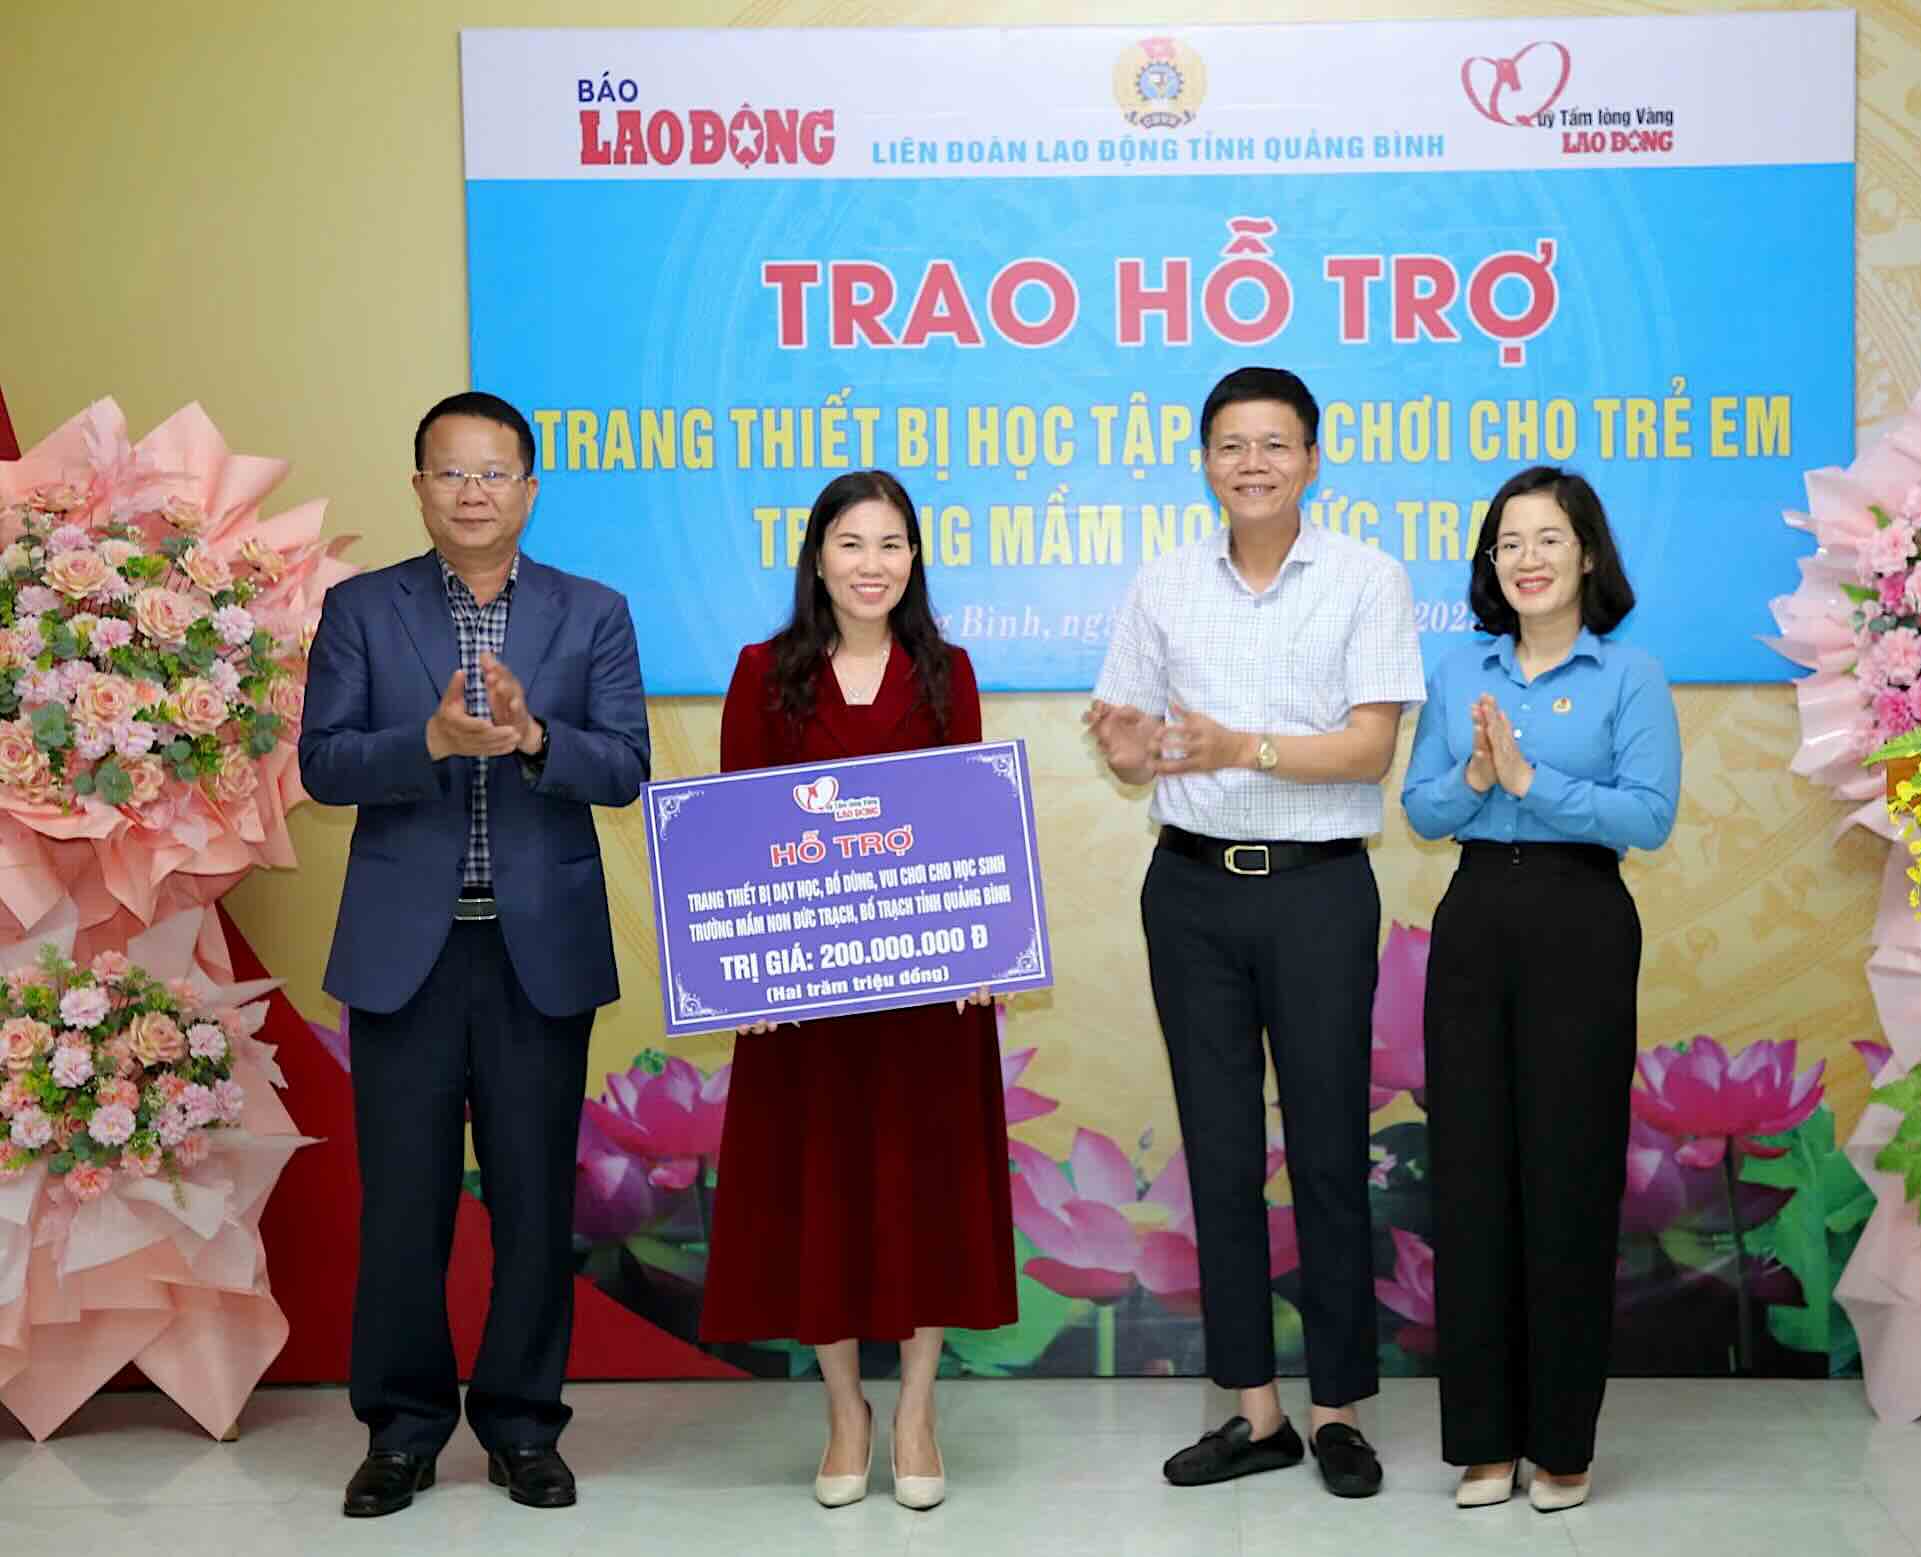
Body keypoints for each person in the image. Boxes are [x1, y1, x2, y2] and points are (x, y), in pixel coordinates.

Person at [299, 391, 652, 1518]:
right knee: (402, 1206)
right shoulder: (361, 610)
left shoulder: (591, 612)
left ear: (529, 488)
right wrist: (431, 741)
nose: (472, 492)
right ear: (417, 487)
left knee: (536, 1203)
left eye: (494, 472)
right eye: (450, 473)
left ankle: (520, 1427)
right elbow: (323, 765)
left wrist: (538, 736)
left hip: (535, 954)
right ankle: (399, 1433)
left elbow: (625, 767)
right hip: (406, 954)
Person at [1086, 366, 1424, 1500]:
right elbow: (1131, 745)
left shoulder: (1366, 579)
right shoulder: (1164, 584)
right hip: (1187, 892)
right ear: (1204, 461)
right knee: (1220, 1158)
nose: (1251, 464)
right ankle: (1253, 1411)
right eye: (1230, 445)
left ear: (1312, 458)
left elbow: (1370, 748)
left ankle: (1336, 1411)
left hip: (1318, 890)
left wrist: (1244, 748)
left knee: (1327, 1150)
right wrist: (1129, 741)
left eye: (1273, 445)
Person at [701, 468, 1015, 1513]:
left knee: (925, 1190)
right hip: (804, 1002)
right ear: (817, 557)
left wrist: (982, 954)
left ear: (913, 560)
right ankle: (846, 1411)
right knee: (818, 1193)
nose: (870, 565)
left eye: (890, 545)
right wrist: (737, 969)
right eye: (850, 544)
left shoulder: (947, 672)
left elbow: (970, 823)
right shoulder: (763, 673)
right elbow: (735, 834)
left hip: (926, 1002)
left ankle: (917, 1407)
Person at [1398, 465, 1679, 1513]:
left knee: (1565, 1180)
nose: (1524, 558)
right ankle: (1482, 1439)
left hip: (1580, 923)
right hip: (1475, 919)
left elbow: (1646, 818)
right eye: (1506, 541)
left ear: (1587, 555)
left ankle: (1561, 1443)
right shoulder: (1454, 670)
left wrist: (1531, 785)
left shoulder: (1630, 676)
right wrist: (1474, 781)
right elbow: (1423, 813)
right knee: (1470, 1178)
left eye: (1545, 539)